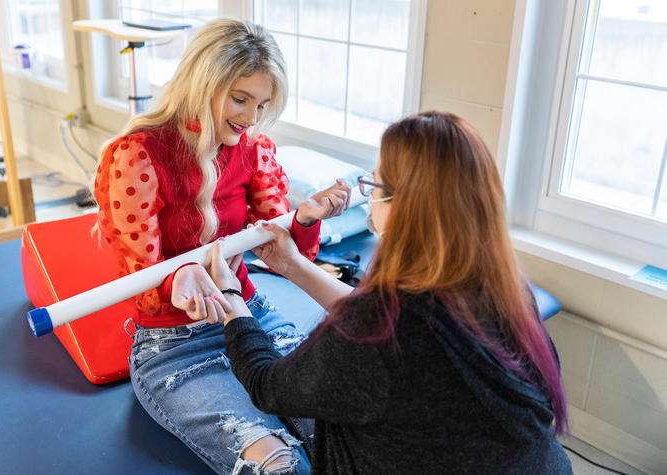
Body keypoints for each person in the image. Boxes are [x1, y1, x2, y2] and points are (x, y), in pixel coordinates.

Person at [205, 111, 573, 474]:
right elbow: (387, 325)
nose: (369, 197)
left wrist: (231, 296)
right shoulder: (506, 291)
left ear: (404, 206)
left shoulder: (379, 333)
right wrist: (291, 265)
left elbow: (268, 386)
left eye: (376, 187)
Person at [93, 18, 350, 475]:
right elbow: (140, 275)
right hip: (175, 343)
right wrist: (175, 280)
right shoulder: (137, 155)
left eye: (263, 104)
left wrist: (305, 220)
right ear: (203, 82)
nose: (251, 117)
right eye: (240, 99)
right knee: (279, 464)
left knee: (344, 435)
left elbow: (288, 251)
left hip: (252, 317)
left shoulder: (254, 148)